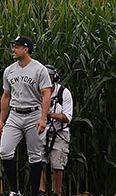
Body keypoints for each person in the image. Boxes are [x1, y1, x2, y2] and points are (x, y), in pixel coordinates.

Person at [0, 36, 52, 196]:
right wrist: (1, 121)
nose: (13, 49)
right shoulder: (9, 70)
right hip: (14, 114)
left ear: (26, 49)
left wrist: (43, 118)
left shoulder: (39, 69)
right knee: (5, 151)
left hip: (33, 114)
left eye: (17, 47)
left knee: (35, 156)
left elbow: (46, 93)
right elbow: (6, 96)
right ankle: (15, 191)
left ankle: (35, 193)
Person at [38, 65, 73, 196]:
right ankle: (40, 191)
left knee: (58, 164)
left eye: (50, 77)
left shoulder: (64, 93)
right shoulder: (37, 92)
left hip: (59, 132)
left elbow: (67, 117)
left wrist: (49, 114)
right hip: (41, 129)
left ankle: (56, 192)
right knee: (38, 161)